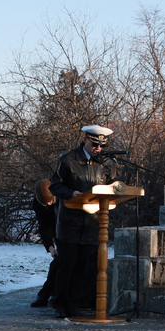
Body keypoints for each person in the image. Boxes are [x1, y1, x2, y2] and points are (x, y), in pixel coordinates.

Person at [48, 125, 121, 318]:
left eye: (101, 146)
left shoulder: (107, 163)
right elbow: (55, 186)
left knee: (83, 267)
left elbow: (114, 187)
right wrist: (71, 193)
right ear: (85, 140)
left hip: (94, 222)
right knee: (67, 265)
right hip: (70, 223)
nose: (98, 149)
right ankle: (59, 303)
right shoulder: (68, 160)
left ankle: (73, 303)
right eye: (95, 145)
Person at [30, 179, 58, 308]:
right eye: (45, 203)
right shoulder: (38, 205)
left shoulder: (61, 198)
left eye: (50, 201)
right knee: (57, 263)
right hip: (57, 231)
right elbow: (45, 226)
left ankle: (46, 295)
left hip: (70, 230)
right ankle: (46, 295)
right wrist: (50, 247)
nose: (48, 203)